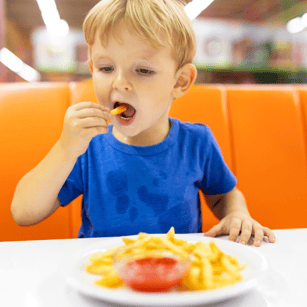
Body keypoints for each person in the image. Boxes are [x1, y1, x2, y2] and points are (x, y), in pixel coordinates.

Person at [11, 0, 275, 246]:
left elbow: (223, 195)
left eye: (143, 70)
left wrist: (237, 214)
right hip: (104, 279)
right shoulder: (86, 147)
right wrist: (65, 148)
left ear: (180, 81)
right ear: (92, 69)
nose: (119, 83)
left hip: (176, 278)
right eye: (106, 68)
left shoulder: (197, 143)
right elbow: (23, 212)